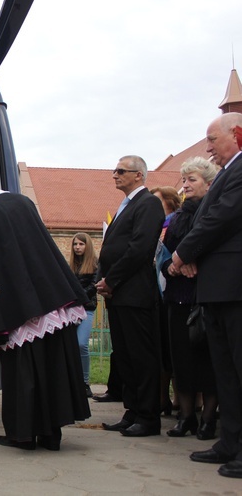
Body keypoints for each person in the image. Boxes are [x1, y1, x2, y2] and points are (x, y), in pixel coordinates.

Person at [0, 168, 90, 451]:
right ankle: (52, 435)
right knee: (53, 364)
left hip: (16, 302)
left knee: (24, 368)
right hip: (52, 293)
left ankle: (23, 435)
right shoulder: (23, 201)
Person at [172, 112, 242, 478]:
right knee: (225, 371)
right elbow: (204, 219)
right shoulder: (230, 171)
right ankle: (229, 443)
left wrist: (185, 253)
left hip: (235, 285)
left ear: (236, 133)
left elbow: (222, 218)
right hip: (216, 286)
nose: (209, 147)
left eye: (213, 139)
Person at [96, 155, 165, 437]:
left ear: (139, 175)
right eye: (115, 170)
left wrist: (111, 280)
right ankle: (132, 411)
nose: (115, 175)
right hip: (119, 295)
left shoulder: (148, 204)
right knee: (124, 356)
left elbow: (139, 249)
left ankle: (148, 417)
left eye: (121, 170)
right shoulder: (128, 205)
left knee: (141, 357)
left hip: (135, 294)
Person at [160, 157, 218, 439]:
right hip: (176, 296)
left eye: (192, 180)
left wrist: (189, 260)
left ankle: (208, 419)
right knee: (180, 360)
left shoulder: (211, 212)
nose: (186, 185)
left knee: (207, 361)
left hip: (202, 297)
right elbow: (163, 256)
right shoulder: (177, 217)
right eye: (184, 180)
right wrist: (172, 265)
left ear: (208, 184)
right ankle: (185, 418)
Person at [150, 185, 182, 417]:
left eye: (157, 202)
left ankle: (176, 398)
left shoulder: (171, 225)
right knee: (162, 350)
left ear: (170, 203)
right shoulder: (157, 226)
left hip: (173, 291)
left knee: (172, 351)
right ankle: (166, 398)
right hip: (158, 292)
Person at [69, 232, 98, 398]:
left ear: (87, 246)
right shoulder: (71, 265)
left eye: (81, 244)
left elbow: (94, 285)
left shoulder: (94, 263)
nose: (77, 247)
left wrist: (80, 298)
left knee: (81, 344)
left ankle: (85, 382)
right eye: (75, 244)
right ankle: (73, 382)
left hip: (87, 308)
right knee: (71, 346)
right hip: (71, 309)